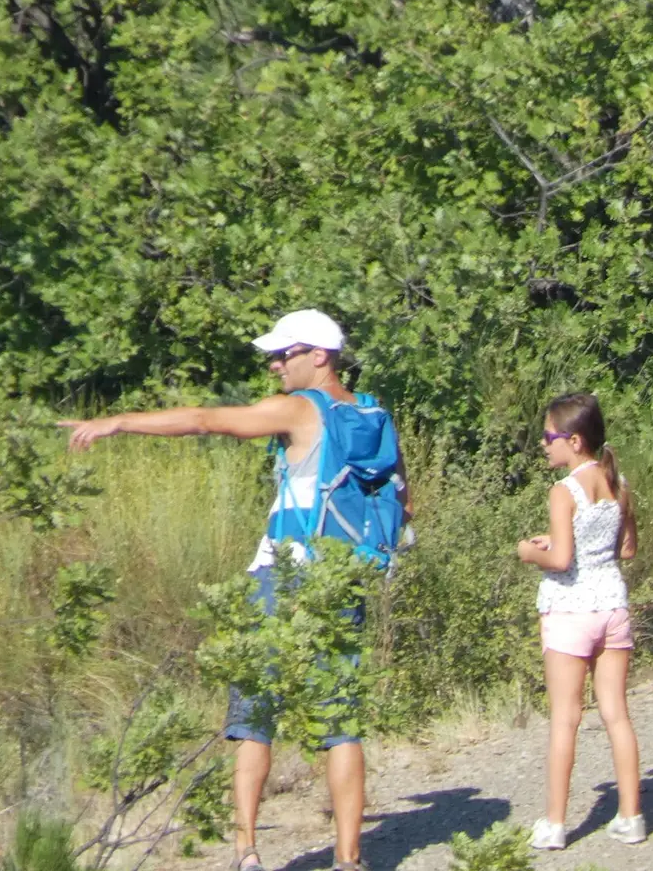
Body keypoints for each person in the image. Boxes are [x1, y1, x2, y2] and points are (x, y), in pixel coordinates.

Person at [57, 309, 405, 871]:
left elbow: (203, 419)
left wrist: (118, 421)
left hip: (282, 575)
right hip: (341, 578)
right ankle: (348, 859)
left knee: (254, 717)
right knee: (341, 724)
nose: (274, 363)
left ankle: (246, 852)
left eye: (283, 353)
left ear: (319, 355)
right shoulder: (372, 416)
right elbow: (401, 502)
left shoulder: (299, 409)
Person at [516, 393, 645, 851]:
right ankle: (631, 815)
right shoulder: (617, 482)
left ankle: (554, 824)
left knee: (564, 719)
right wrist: (566, 541)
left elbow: (563, 558)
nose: (543, 445)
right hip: (612, 606)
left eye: (549, 438)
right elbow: (626, 549)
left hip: (571, 612)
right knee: (616, 713)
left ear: (574, 440)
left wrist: (532, 551)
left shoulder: (563, 490)